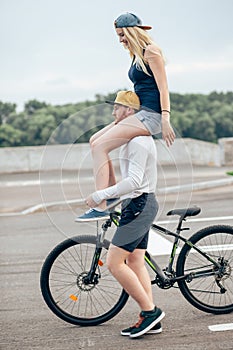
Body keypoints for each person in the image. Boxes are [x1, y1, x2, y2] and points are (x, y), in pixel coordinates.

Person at [76, 90, 165, 338]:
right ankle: (151, 318)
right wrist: (118, 122)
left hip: (139, 204)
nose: (112, 112)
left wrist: (98, 196)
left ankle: (150, 312)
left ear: (129, 111)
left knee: (116, 263)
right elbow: (96, 140)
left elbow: (135, 182)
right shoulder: (132, 136)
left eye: (116, 108)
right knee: (135, 261)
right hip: (138, 204)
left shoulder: (137, 141)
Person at [78, 12, 175, 220]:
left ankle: (101, 204)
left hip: (152, 116)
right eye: (118, 36)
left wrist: (165, 118)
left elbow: (163, 88)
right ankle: (112, 197)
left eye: (122, 35)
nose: (121, 40)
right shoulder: (137, 54)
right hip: (141, 114)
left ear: (132, 32)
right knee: (94, 140)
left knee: (101, 146)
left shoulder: (151, 52)